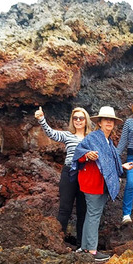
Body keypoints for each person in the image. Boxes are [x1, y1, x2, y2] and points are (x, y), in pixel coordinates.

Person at [72, 106, 133, 263]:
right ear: (99, 122)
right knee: (94, 214)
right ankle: (92, 251)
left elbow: (111, 160)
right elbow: (78, 153)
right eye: (106, 119)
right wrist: (87, 155)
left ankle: (86, 248)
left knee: (92, 214)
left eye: (111, 120)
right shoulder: (92, 138)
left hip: (102, 183)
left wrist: (122, 167)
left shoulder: (108, 141)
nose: (109, 122)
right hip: (92, 182)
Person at [34, 106, 92, 248]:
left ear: (86, 120)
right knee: (64, 208)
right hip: (69, 173)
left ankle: (81, 246)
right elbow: (52, 134)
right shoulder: (67, 135)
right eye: (75, 118)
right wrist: (42, 119)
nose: (78, 120)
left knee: (82, 211)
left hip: (85, 174)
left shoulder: (92, 138)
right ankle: (57, 243)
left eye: (81, 118)